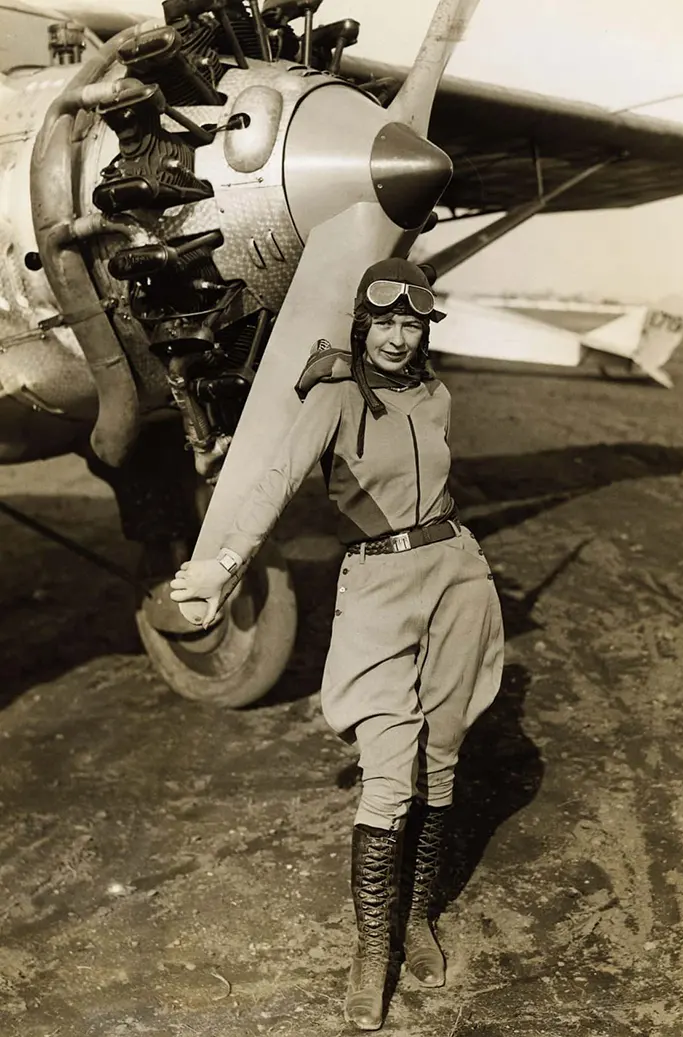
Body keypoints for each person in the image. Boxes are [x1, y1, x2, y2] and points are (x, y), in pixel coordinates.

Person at [170, 258, 504, 1031]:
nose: (397, 336)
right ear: (363, 323)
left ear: (424, 329)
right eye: (384, 321)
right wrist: (224, 564)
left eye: (411, 322)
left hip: (457, 573)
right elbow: (277, 478)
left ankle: (416, 921)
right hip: (378, 587)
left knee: (442, 761)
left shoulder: (436, 394)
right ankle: (369, 949)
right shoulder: (335, 394)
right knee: (388, 774)